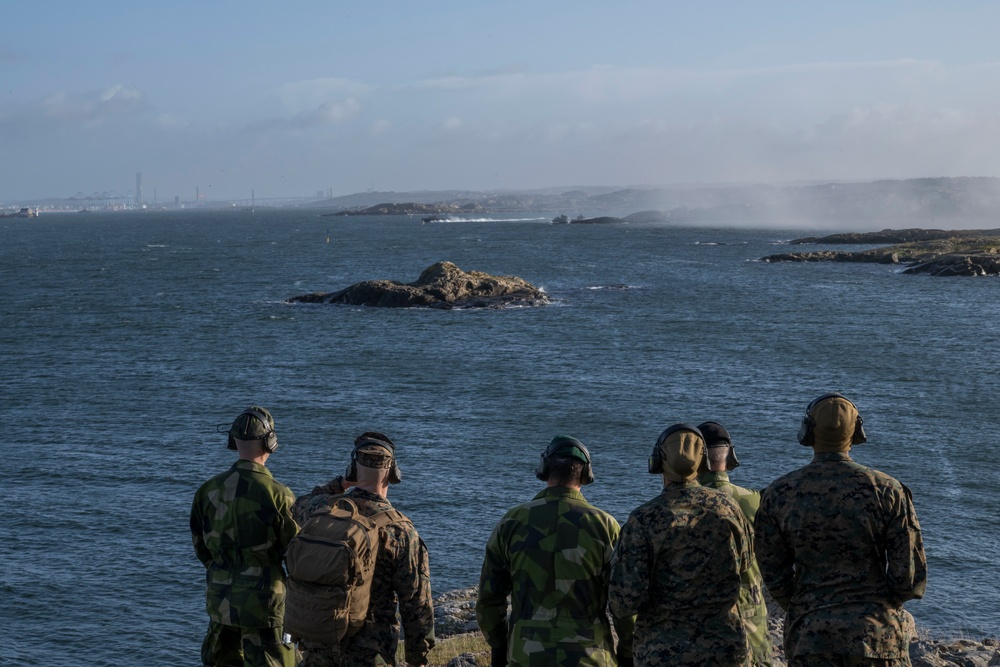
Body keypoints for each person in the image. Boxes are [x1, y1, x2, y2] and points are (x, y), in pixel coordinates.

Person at [754, 393, 927, 667]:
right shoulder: (889, 490)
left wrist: (804, 605)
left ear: (808, 432)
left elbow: (773, 574)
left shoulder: (780, 493)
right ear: (857, 431)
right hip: (878, 638)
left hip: (810, 638)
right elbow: (908, 577)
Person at [476, 435, 634, 667]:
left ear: (544, 469)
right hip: (590, 658)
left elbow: (489, 599)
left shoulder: (511, 522)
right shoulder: (605, 525)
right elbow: (624, 603)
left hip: (526, 656)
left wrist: (499, 647)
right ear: (586, 474)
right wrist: (627, 652)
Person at [609, 423, 753, 667]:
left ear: (658, 461)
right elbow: (746, 562)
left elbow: (624, 601)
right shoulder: (729, 508)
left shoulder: (643, 519)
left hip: (662, 652)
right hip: (725, 649)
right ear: (703, 461)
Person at [291, 432, 434, 667]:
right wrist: (418, 657)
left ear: (352, 470)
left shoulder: (322, 510)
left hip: (319, 648)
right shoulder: (399, 530)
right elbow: (416, 602)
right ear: (393, 473)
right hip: (369, 653)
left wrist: (342, 483)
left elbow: (302, 502)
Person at [190, 406, 298, 667]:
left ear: (232, 441)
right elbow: (296, 553)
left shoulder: (207, 491)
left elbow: (201, 547)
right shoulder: (279, 495)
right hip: (264, 605)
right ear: (270, 442)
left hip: (221, 600)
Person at [697, 421, 773, 667]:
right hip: (753, 624)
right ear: (729, 456)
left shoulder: (684, 506)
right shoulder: (756, 501)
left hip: (704, 626)